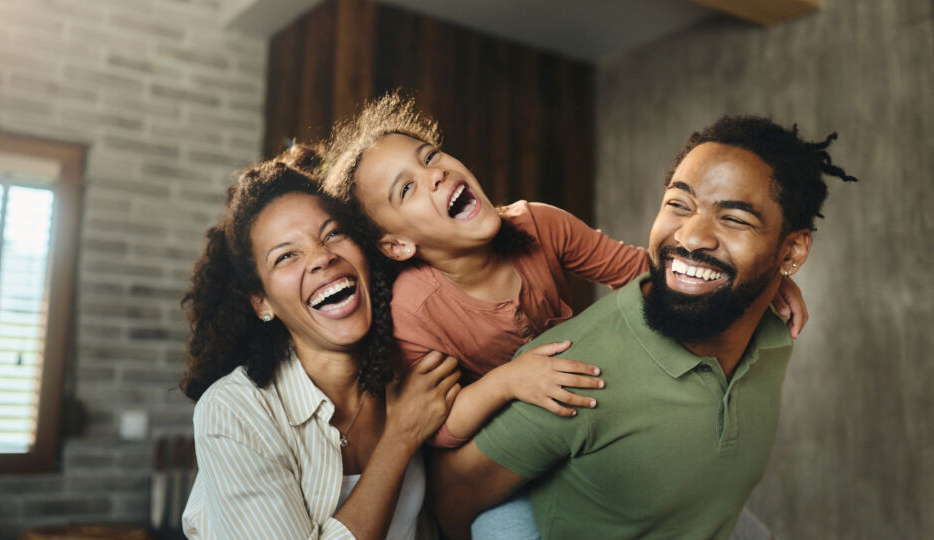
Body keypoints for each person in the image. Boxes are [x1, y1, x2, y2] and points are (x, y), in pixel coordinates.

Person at [431, 115, 858, 539]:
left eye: (734, 219)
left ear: (792, 252)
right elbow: (453, 498)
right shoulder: (570, 371)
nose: (691, 237)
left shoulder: (775, 330)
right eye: (678, 204)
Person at [179, 156, 460, 539]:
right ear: (262, 302)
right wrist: (400, 437)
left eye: (332, 234)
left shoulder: (412, 365)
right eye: (286, 256)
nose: (322, 257)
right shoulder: (234, 412)